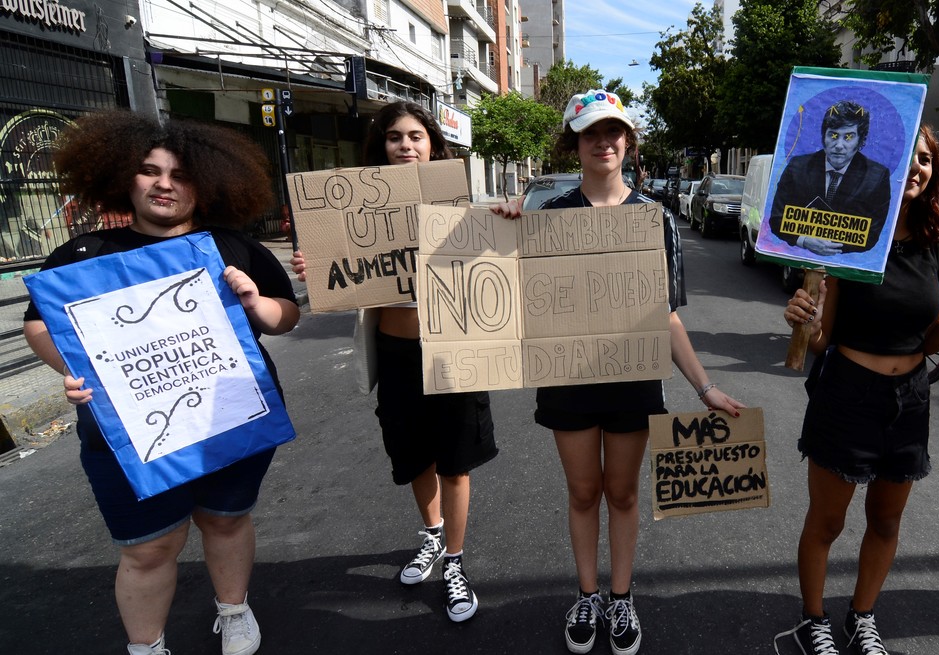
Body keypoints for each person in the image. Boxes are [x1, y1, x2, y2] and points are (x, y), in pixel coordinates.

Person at [23, 111, 299, 655]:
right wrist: (73, 372)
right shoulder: (85, 254)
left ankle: (234, 609)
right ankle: (146, 646)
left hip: (230, 413)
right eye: (150, 171)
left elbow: (286, 315)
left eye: (180, 174)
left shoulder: (234, 247)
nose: (165, 184)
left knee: (226, 521)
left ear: (207, 183)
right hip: (127, 431)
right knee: (149, 548)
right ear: (126, 177)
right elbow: (39, 322)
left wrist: (254, 301)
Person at [492, 89, 745, 655]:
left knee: (623, 493)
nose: (603, 142)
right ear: (574, 144)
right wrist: (504, 230)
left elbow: (666, 315)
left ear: (628, 142)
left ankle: (622, 598)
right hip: (568, 381)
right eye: (590, 133)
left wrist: (704, 385)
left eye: (613, 132)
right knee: (583, 492)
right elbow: (506, 300)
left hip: (633, 380)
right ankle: (588, 594)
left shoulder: (654, 218)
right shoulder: (547, 218)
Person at [774, 125, 939, 655]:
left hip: (910, 399)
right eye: (907, 156)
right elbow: (820, 341)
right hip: (846, 394)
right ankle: (814, 619)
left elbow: (932, 334)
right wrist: (803, 315)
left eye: (927, 160)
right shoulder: (850, 235)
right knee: (828, 521)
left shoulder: (937, 243)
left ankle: (862, 617)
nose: (917, 167)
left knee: (886, 521)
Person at [289, 101, 497, 622]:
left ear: (434, 144)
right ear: (380, 148)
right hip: (397, 353)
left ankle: (454, 560)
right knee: (412, 457)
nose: (405, 145)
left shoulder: (459, 206)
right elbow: (341, 274)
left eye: (416, 136)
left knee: (455, 459)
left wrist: (507, 220)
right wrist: (314, 267)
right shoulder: (356, 210)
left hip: (452, 349)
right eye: (393, 138)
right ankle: (431, 536)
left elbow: (494, 265)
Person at [769, 100, 893, 256]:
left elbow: (871, 233)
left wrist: (829, 245)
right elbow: (777, 218)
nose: (839, 145)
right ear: (823, 137)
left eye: (848, 137)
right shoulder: (798, 167)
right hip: (800, 261)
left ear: (861, 141)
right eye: (833, 135)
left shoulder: (876, 176)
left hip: (847, 266)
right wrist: (804, 240)